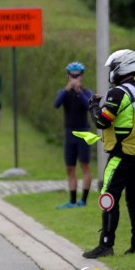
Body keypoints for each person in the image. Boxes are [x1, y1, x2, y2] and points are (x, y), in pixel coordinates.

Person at [83, 49, 135, 259]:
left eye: (113, 68)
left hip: (122, 154)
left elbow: (101, 121)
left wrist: (94, 106)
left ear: (121, 68)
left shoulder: (119, 93)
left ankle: (106, 245)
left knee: (108, 197)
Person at [53, 62, 94, 208]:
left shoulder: (87, 92)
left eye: (77, 75)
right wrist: (67, 90)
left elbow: (89, 106)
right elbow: (56, 104)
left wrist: (78, 92)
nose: (75, 78)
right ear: (68, 76)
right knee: (70, 167)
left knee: (84, 165)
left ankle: (83, 200)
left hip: (83, 132)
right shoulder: (63, 93)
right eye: (72, 75)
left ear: (82, 76)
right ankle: (71, 200)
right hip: (69, 132)